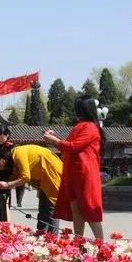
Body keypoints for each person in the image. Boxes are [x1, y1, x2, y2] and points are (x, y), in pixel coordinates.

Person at [44, 95, 105, 239]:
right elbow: (70, 145)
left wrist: (54, 141)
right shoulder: (81, 126)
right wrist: (57, 138)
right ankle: (78, 242)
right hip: (74, 173)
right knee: (76, 210)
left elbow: (73, 146)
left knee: (89, 209)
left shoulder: (90, 127)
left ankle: (101, 244)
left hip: (84, 174)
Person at [0, 144, 61, 234]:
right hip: (44, 178)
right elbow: (16, 177)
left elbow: (25, 177)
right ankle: (42, 236)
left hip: (51, 173)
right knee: (43, 210)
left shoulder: (18, 153)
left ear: (2, 156)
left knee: (51, 210)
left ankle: (53, 239)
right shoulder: (13, 160)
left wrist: (7, 185)